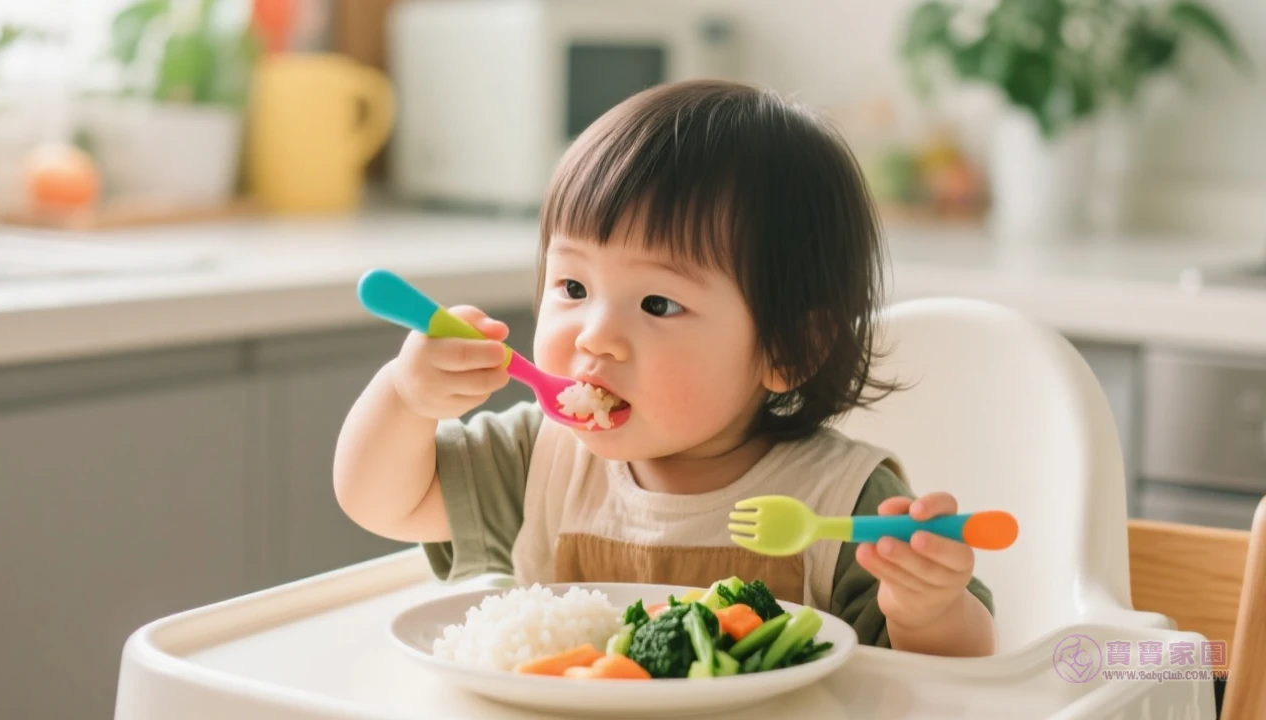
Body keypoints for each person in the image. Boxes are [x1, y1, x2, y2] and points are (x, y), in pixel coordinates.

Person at [334, 79, 995, 657]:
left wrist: (928, 612)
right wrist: (406, 396)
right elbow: (379, 500)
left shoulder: (841, 502)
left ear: (787, 350)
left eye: (657, 303)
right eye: (572, 287)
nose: (596, 337)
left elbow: (941, 681)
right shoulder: (542, 460)